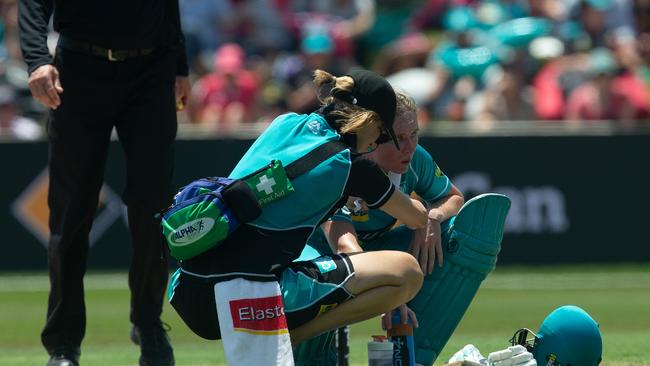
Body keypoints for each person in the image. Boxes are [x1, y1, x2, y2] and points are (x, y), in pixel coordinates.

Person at [168, 68, 430, 365]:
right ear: (371, 121)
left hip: (188, 290)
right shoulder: (352, 166)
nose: (378, 142)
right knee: (406, 273)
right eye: (383, 133)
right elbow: (416, 218)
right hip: (246, 297)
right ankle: (296, 336)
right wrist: (422, 208)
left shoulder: (285, 123)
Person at [18, 0, 191, 365]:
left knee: (155, 207)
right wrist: (37, 60)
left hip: (152, 68)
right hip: (78, 69)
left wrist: (180, 65)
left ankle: (149, 324)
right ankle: (63, 343)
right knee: (71, 210)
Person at [293, 90, 511, 366]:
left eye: (415, 134)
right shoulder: (343, 162)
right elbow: (344, 245)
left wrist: (430, 218)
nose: (410, 147)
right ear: (375, 135)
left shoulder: (414, 158)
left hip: (373, 249)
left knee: (465, 231)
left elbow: (453, 198)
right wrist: (391, 291)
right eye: (401, 138)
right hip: (317, 255)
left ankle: (414, 357)